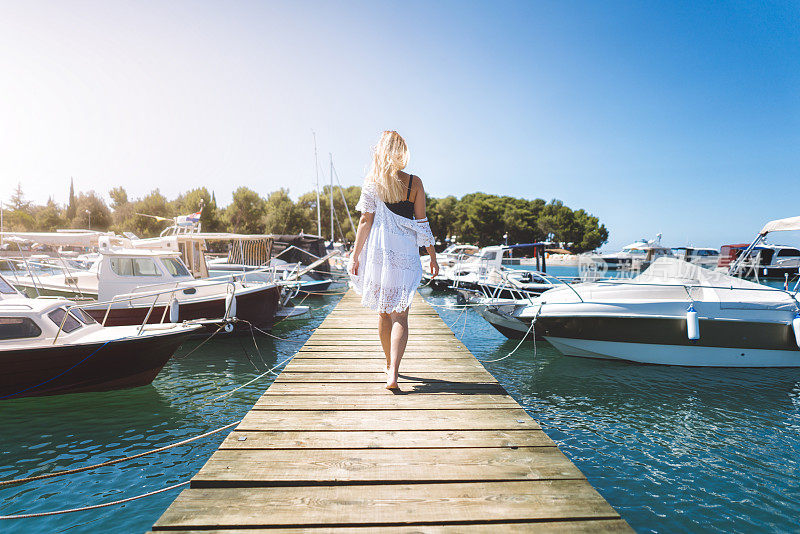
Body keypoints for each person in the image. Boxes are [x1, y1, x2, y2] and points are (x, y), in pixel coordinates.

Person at [349, 131, 439, 389]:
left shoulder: (372, 181)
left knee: (384, 313)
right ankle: (394, 374)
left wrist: (355, 255)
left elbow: (365, 221)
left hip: (380, 252)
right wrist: (432, 257)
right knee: (401, 316)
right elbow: (422, 223)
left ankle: (388, 364)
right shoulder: (415, 182)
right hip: (406, 253)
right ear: (402, 151)